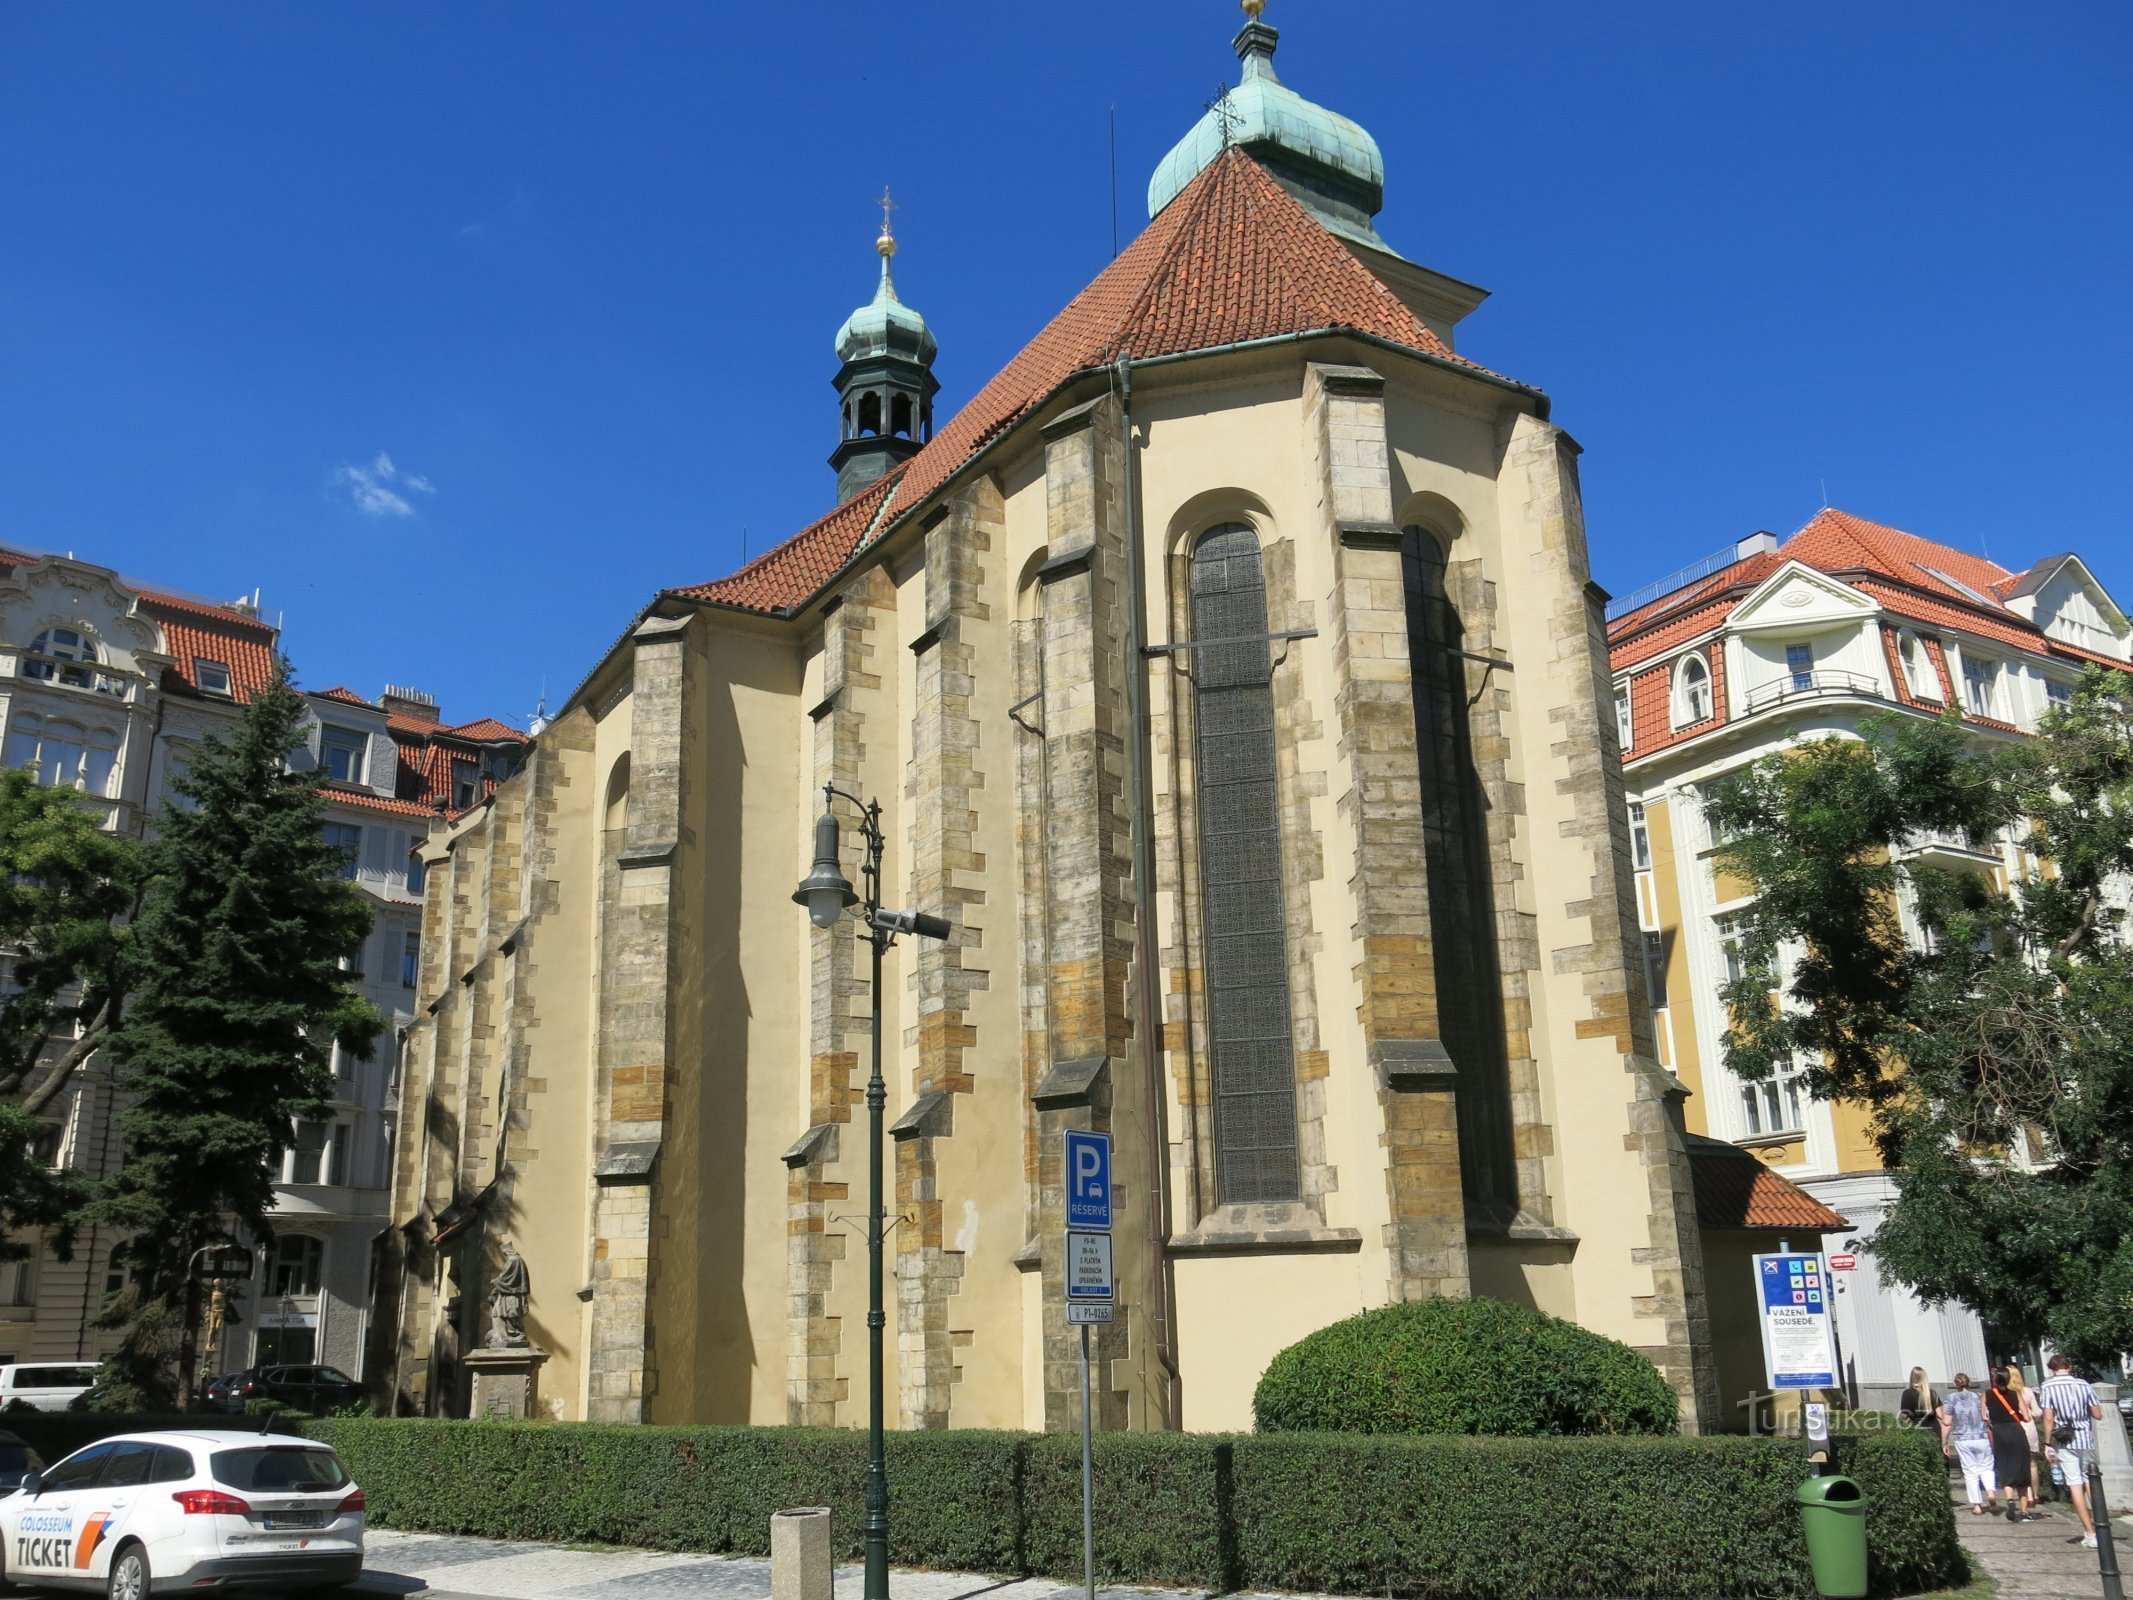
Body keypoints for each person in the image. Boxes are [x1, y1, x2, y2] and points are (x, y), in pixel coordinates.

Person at [2039, 1353, 2104, 1550]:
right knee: (2090, 1481)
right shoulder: (2083, 1385)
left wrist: (2047, 1443)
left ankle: (2090, 1532)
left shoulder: (2047, 1387)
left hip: (2065, 1441)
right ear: (2070, 1366)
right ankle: (2102, 1526)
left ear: (2052, 1369)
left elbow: (2048, 1418)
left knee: (2074, 1484)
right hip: (2085, 1438)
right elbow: (2097, 1414)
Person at [1940, 1374, 1995, 1516]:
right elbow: (1987, 1419)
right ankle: (1990, 1491)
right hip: (1981, 1436)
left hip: (1962, 1438)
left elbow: (1947, 1423)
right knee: (1987, 1467)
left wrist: (1944, 1442)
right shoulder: (1979, 1396)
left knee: (1970, 1471)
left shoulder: (1950, 1399)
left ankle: (1977, 1505)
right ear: (1969, 1383)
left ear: (1955, 1384)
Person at [1986, 1366, 2034, 1521]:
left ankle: (2009, 1500)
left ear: (1994, 1379)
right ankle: (2025, 1512)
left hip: (1999, 1433)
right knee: (2022, 1470)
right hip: (2016, 1431)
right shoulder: (2016, 1394)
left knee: (2005, 1467)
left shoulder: (1986, 1394)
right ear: (2008, 1379)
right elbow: (2027, 1417)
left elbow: (1984, 1416)